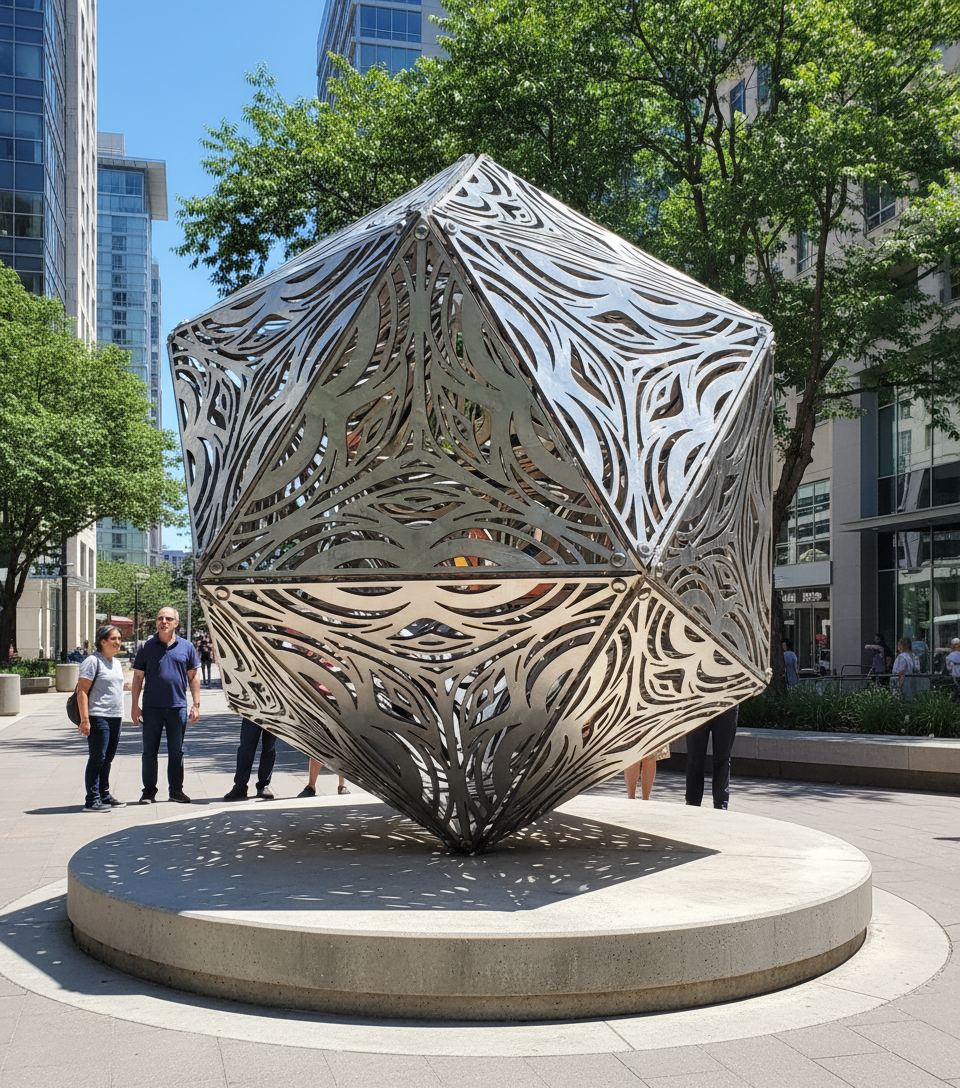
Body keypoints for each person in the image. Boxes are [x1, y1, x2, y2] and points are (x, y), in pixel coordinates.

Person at [132, 607, 201, 804]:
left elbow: (193, 677)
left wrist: (196, 705)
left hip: (177, 708)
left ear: (176, 623)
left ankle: (176, 791)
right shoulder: (146, 647)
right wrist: (134, 705)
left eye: (169, 619)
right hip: (151, 708)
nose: (164, 621)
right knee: (149, 752)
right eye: (160, 618)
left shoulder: (187, 646)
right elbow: (138, 677)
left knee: (176, 752)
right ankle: (148, 792)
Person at [76, 624, 132, 811]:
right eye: (113, 639)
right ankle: (92, 799)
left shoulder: (115, 663)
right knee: (97, 758)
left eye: (119, 639)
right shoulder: (92, 661)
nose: (118, 642)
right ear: (102, 641)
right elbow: (82, 691)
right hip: (98, 716)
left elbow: (112, 686)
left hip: (115, 716)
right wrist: (85, 720)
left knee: (108, 758)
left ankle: (104, 795)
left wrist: (129, 686)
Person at [685, 706, 739, 810]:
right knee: (695, 758)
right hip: (698, 705)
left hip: (727, 705)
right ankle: (692, 804)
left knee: (722, 759)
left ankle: (721, 805)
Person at [223, 717, 277, 800]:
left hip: (275, 713)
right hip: (252, 712)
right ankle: (240, 786)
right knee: (246, 748)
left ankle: (264, 785)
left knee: (269, 747)